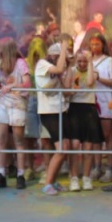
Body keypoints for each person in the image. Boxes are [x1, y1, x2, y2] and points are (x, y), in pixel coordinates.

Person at [35, 42, 72, 196]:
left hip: (60, 110)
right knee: (62, 147)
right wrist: (64, 49)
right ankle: (48, 183)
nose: (63, 61)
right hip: (48, 112)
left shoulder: (57, 71)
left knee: (65, 147)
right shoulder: (42, 64)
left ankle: (53, 180)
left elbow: (65, 91)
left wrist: (65, 74)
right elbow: (58, 68)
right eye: (60, 57)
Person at [0, 38, 31, 190]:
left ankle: (20, 174)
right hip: (2, 102)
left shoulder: (21, 63)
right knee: (2, 137)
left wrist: (12, 85)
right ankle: (1, 173)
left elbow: (28, 84)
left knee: (18, 139)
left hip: (17, 102)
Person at [69, 50, 102, 190]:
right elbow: (70, 88)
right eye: (79, 61)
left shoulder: (93, 70)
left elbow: (89, 82)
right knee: (75, 146)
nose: (82, 64)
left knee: (88, 148)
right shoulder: (71, 71)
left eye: (84, 61)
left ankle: (87, 177)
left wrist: (90, 64)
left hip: (89, 108)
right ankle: (74, 177)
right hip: (74, 108)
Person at [89, 32, 112, 184]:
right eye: (92, 44)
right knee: (94, 137)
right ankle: (96, 166)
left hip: (106, 101)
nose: (94, 47)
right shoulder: (86, 60)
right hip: (90, 101)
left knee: (108, 136)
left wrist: (99, 78)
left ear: (103, 45)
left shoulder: (111, 61)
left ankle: (110, 168)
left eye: (97, 44)